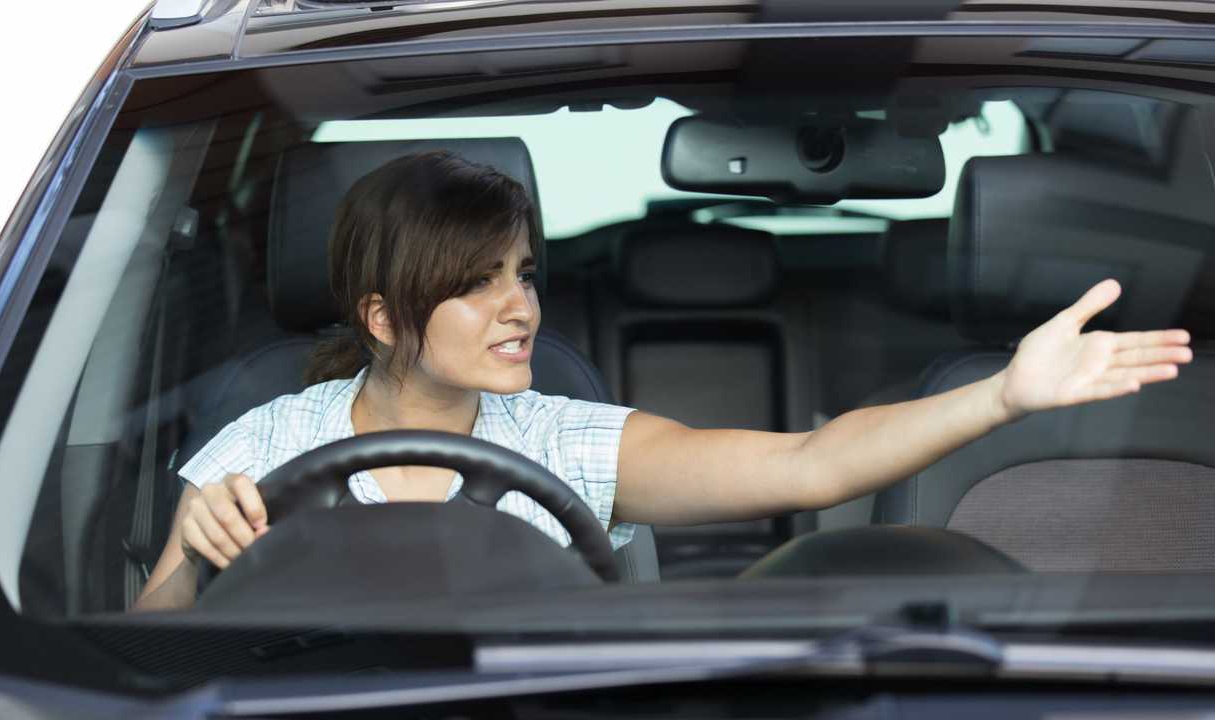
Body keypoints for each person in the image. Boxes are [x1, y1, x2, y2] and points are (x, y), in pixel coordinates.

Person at [133, 151, 1193, 611]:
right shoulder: (261, 447)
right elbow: (150, 647)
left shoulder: (563, 440)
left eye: (523, 276)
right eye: (475, 284)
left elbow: (810, 466)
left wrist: (1004, 395)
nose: (521, 308)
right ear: (380, 317)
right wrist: (187, 550)